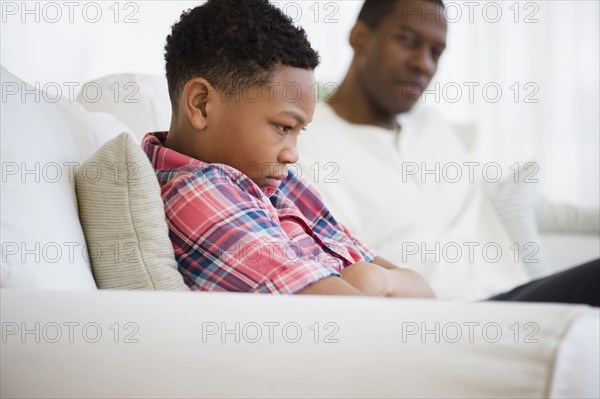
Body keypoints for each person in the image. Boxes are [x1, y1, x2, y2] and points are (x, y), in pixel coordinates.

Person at [297, 0, 599, 305]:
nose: (424, 64)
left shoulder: (431, 126)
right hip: (451, 315)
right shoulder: (306, 142)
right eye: (408, 41)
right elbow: (335, 258)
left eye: (436, 52)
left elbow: (497, 199)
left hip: (519, 298)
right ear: (360, 37)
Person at [141, 0, 435, 298]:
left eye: (299, 131)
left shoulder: (280, 184)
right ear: (201, 104)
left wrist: (375, 281)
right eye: (283, 127)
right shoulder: (198, 194)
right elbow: (348, 315)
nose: (293, 155)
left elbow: (423, 292)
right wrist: (372, 281)